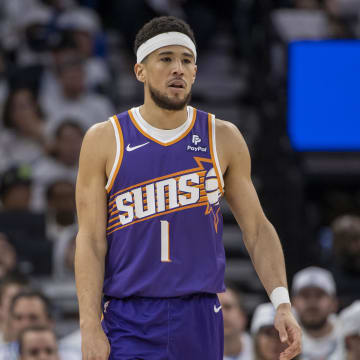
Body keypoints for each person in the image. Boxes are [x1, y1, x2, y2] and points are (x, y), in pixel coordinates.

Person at [75, 16, 302, 360]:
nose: (178, 68)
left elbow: (257, 229)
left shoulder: (222, 136)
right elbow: (91, 241)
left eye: (186, 60)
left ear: (195, 72)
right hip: (127, 316)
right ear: (140, 71)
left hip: (199, 315)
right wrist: (89, 325)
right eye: (166, 59)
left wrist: (282, 303)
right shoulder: (105, 139)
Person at [291, 266, 340, 360]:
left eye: (319, 295)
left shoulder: (349, 334)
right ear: (293, 303)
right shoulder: (281, 338)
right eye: (305, 295)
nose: (312, 302)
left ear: (334, 303)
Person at [218, 285, 253, 360]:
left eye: (228, 307)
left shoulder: (262, 351)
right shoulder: (195, 354)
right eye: (216, 309)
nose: (222, 315)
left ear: (243, 316)